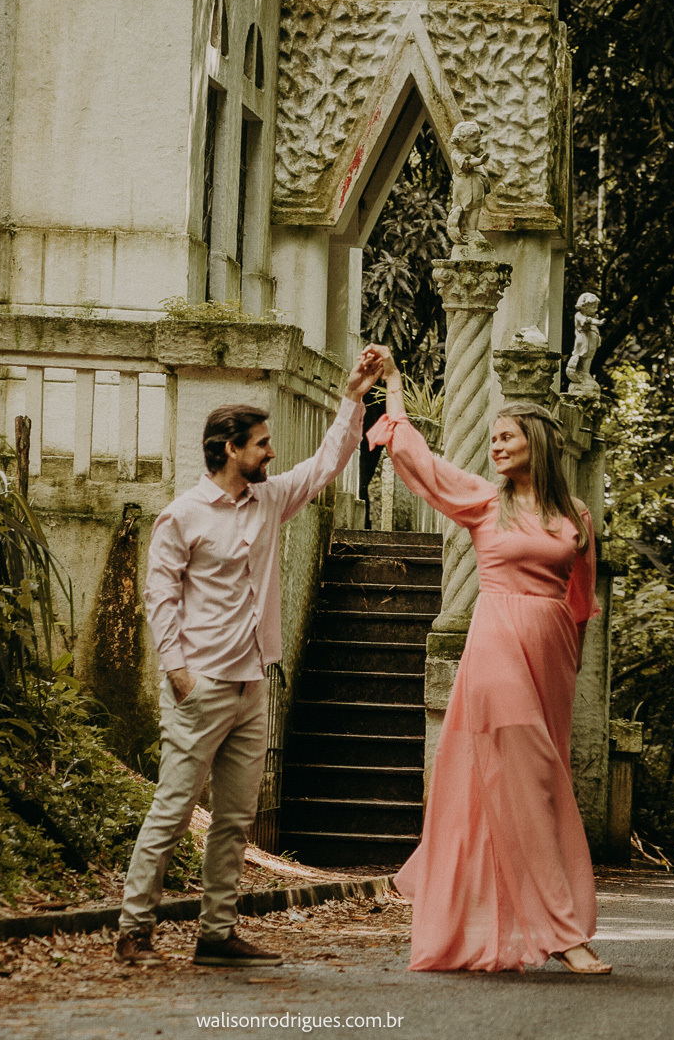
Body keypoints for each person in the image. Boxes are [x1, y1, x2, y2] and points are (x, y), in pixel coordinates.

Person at [114, 347, 383, 969]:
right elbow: (160, 596)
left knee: (235, 819)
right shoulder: (181, 516)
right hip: (200, 686)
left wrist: (353, 398)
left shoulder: (270, 500)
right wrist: (178, 672)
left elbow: (327, 463)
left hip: (252, 687)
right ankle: (133, 930)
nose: (271, 453)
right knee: (172, 813)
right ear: (230, 448)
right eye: (261, 444)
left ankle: (216, 935)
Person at [367, 345, 611, 976]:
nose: (496, 446)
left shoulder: (576, 517)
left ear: (537, 442)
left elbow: (581, 604)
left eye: (507, 437)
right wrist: (393, 383)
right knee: (526, 777)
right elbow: (419, 462)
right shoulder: (484, 500)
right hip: (496, 642)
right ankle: (564, 933)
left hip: (552, 657)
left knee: (537, 784)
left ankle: (500, 924)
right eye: (494, 437)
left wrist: (570, 669)